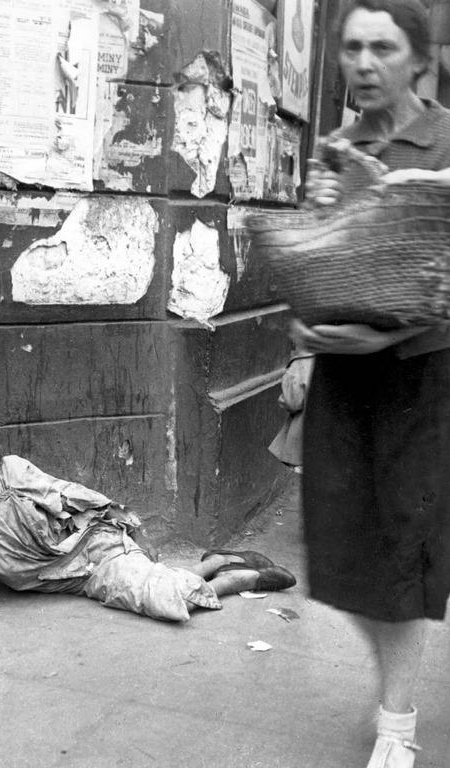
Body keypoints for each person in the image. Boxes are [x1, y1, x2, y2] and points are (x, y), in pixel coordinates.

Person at [293, 2, 450, 766]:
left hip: (421, 381)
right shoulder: (333, 150)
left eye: (381, 47)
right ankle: (392, 672)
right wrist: (304, 318)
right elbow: (315, 262)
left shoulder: (447, 140)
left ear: (417, 59)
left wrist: (387, 333)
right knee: (335, 554)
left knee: (395, 552)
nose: (362, 61)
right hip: (340, 381)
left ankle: (396, 721)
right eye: (351, 46)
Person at [0, 405, 296, 643]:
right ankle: (214, 565)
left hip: (93, 547)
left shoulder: (14, 470)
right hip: (72, 578)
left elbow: (70, 494)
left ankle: (236, 580)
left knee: (156, 597)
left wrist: (129, 524)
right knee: (156, 593)